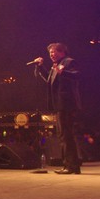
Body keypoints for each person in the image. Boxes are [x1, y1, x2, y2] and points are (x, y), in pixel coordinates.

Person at [33, 42, 83, 174]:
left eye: (54, 52)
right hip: (60, 105)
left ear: (62, 52)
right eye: (50, 53)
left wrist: (63, 72)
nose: (51, 55)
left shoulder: (68, 62)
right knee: (64, 135)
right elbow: (49, 80)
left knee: (66, 135)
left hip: (67, 104)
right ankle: (71, 166)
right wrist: (40, 66)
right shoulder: (56, 65)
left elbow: (77, 75)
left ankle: (71, 166)